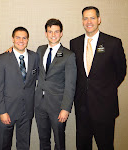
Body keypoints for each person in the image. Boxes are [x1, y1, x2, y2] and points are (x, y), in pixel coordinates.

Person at [70, 6, 127, 150]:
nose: (89, 21)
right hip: (82, 107)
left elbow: (121, 72)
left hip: (105, 107)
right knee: (82, 146)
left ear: (99, 20)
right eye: (85, 18)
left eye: (92, 18)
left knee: (106, 145)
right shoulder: (74, 43)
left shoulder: (113, 43)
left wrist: (105, 89)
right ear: (82, 21)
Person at [35, 18, 77, 150]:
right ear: (46, 33)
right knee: (43, 140)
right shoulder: (40, 50)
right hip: (39, 104)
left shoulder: (69, 55)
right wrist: (11, 50)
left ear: (61, 33)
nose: (53, 35)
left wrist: (65, 108)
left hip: (57, 106)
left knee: (59, 141)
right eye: (50, 31)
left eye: (56, 31)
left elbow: (71, 85)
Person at [0, 27, 39, 150]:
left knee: (24, 145)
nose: (21, 40)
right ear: (12, 39)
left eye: (24, 37)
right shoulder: (2, 59)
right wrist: (2, 112)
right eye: (18, 37)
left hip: (27, 110)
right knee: (4, 145)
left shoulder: (35, 57)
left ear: (28, 40)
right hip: (7, 110)